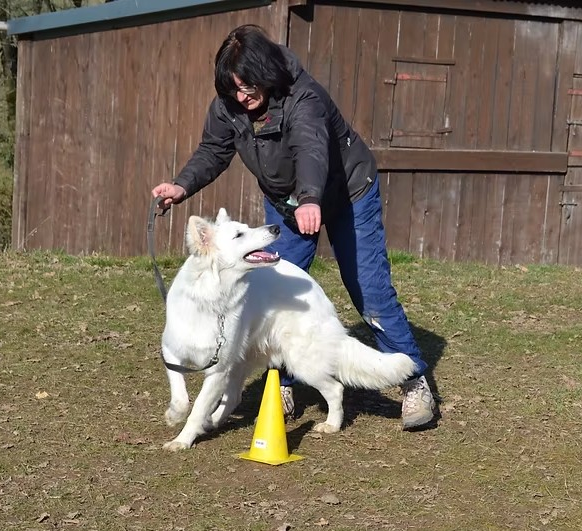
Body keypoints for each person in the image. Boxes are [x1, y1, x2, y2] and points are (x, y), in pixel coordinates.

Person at [151, 24, 436, 429]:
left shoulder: (304, 97)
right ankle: (279, 382)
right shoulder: (229, 105)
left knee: (369, 290)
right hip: (289, 202)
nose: (242, 98)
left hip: (345, 194)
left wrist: (310, 199)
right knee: (271, 285)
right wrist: (182, 185)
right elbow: (213, 150)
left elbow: (311, 149)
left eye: (248, 87)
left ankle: (413, 383)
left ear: (265, 73)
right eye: (232, 90)